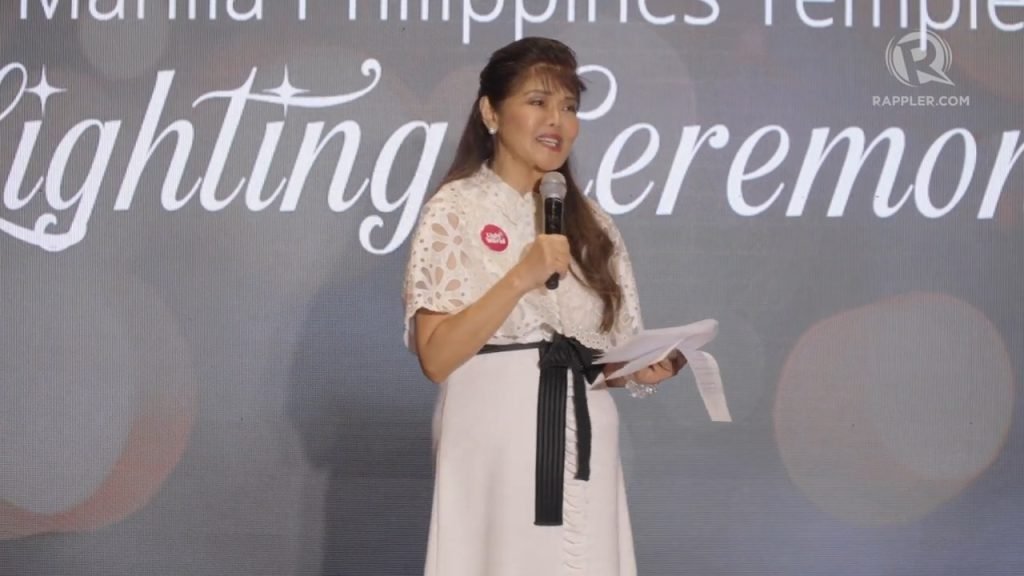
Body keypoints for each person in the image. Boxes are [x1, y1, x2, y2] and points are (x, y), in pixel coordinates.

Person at [402, 37, 684, 576]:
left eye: (570, 106)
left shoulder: (595, 226)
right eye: (538, 101)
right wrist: (520, 277)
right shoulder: (455, 208)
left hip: (587, 435)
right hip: (494, 438)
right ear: (491, 111)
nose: (557, 120)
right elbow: (436, 357)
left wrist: (642, 367)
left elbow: (609, 352)